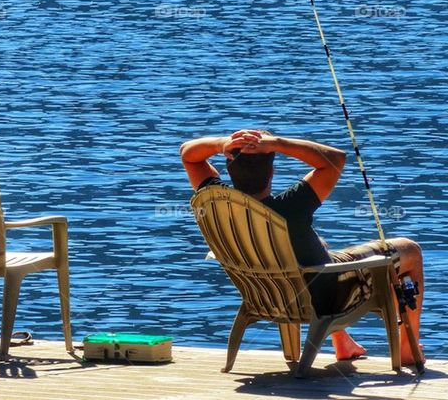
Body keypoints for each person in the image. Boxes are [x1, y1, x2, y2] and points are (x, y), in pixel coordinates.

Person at [180, 129, 424, 367]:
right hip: (326, 297)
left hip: (266, 296)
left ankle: (343, 342)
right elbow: (335, 159)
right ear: (272, 172)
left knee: (318, 244)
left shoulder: (216, 205)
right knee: (409, 250)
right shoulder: (292, 207)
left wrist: (222, 142)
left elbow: (188, 153)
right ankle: (406, 350)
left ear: (230, 170)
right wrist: (277, 143)